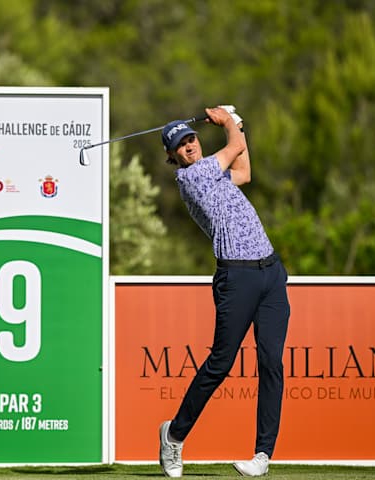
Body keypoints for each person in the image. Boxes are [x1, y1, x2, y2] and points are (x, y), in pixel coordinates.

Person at [157, 106, 291, 477]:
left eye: (191, 138)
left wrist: (239, 124)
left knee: (271, 364)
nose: (189, 146)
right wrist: (229, 121)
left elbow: (244, 172)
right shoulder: (193, 177)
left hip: (271, 273)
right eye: (180, 145)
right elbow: (233, 148)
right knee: (221, 362)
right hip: (237, 276)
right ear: (172, 157)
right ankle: (174, 435)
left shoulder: (214, 176)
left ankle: (262, 456)